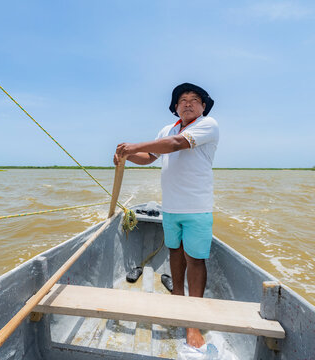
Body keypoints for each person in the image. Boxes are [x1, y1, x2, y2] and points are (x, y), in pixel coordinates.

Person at [114, 83, 219, 348]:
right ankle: (177, 297)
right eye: (182, 100)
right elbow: (149, 156)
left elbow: (174, 145)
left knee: (195, 260)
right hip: (170, 207)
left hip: (197, 208)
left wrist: (132, 145)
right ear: (175, 107)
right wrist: (124, 156)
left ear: (203, 107)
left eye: (194, 100)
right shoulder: (166, 129)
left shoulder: (208, 125)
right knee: (174, 252)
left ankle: (192, 322)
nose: (187, 103)